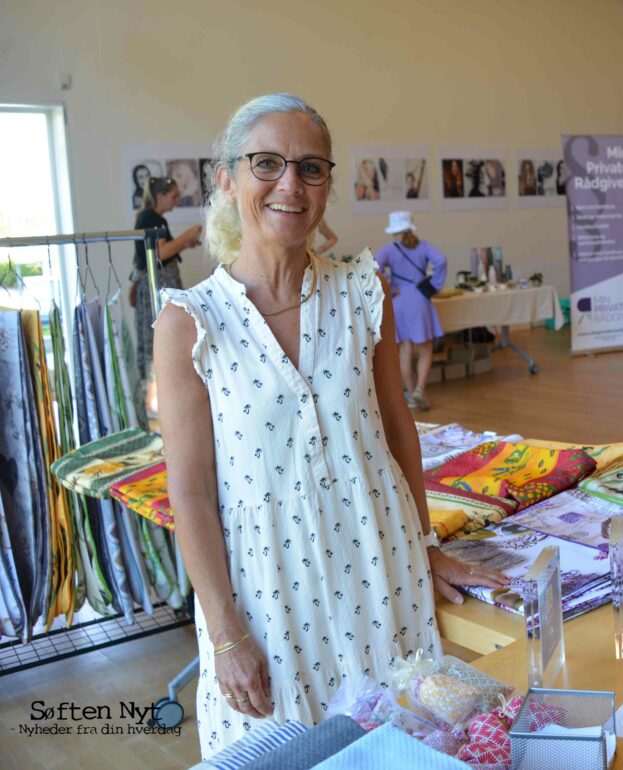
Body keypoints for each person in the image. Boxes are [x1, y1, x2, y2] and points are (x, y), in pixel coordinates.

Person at [152, 94, 504, 760]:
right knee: (289, 749)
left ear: (328, 185)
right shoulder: (192, 324)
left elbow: (398, 426)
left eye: (311, 168)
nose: (290, 183)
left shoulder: (363, 289)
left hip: (381, 569)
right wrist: (226, 635)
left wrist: (421, 543)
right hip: (267, 595)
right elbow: (192, 490)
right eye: (267, 164)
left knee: (400, 743)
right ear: (227, 179)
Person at [374, 211, 448, 411]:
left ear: (393, 231)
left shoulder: (388, 250)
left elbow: (373, 267)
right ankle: (420, 390)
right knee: (425, 348)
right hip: (420, 299)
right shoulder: (423, 246)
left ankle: (411, 394)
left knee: (405, 350)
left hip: (398, 301)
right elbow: (441, 260)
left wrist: (389, 286)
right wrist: (434, 285)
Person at [131, 176, 202, 383]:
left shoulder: (148, 217)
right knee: (163, 334)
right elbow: (159, 254)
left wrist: (184, 244)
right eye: (173, 196)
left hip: (156, 283)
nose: (177, 200)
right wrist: (186, 237)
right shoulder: (152, 219)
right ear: (160, 196)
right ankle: (163, 384)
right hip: (158, 284)